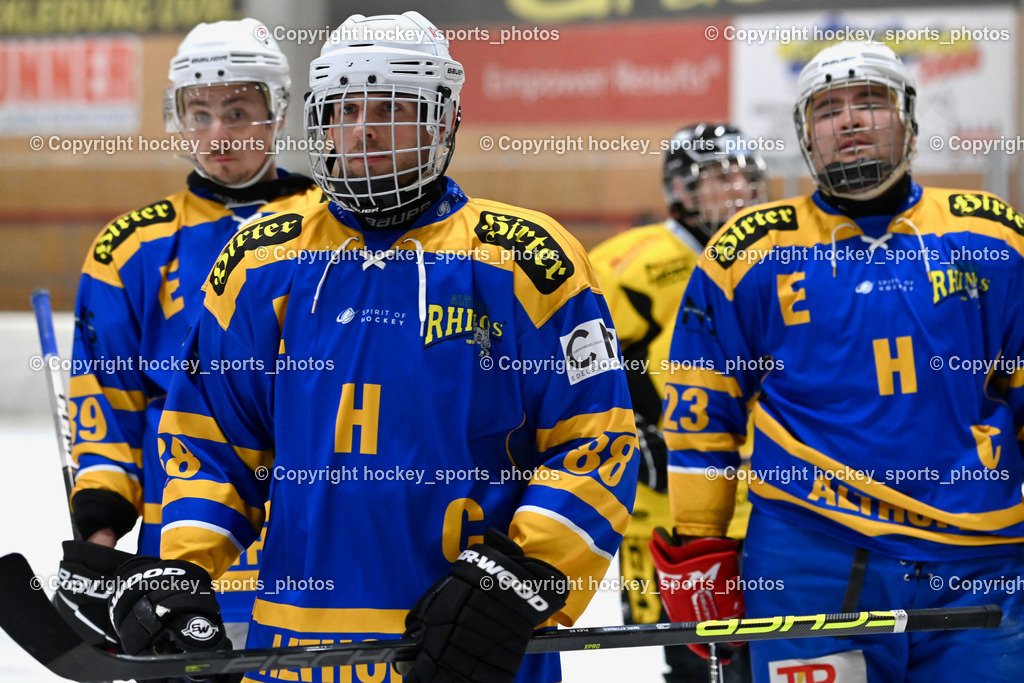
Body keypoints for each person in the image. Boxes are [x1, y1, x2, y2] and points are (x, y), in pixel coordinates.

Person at [103, 11, 638, 683]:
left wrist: (527, 576)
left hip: (470, 656)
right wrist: (180, 566)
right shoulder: (261, 260)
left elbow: (599, 440)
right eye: (345, 108)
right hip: (293, 655)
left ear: (442, 119)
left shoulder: (527, 260)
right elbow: (208, 442)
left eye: (392, 107)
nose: (362, 129)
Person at [653, 40, 1024, 682]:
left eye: (870, 102)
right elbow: (700, 413)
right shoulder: (746, 251)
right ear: (804, 134)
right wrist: (699, 542)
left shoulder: (994, 236)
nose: (848, 121)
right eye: (827, 110)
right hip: (808, 553)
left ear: (908, 118)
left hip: (981, 557)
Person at [55, 17, 323, 651]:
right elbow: (105, 400)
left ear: (277, 112)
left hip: (314, 521)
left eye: (237, 112)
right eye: (198, 114)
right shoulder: (133, 246)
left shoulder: (334, 226)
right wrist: (99, 534)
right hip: (182, 530)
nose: (218, 135)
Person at [590, 123, 764, 683]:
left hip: (757, 490)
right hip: (660, 507)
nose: (735, 189)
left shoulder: (773, 254)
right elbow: (582, 367)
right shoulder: (626, 263)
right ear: (679, 191)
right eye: (718, 176)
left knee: (765, 646)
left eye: (743, 175)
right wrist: (625, 429)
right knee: (689, 656)